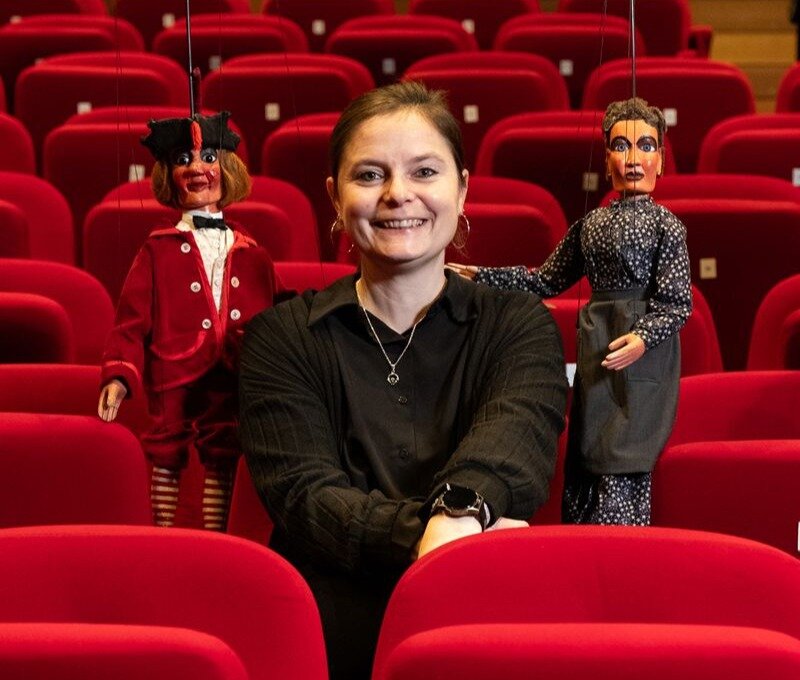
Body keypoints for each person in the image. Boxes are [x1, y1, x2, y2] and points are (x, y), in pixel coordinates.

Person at [239, 81, 568, 680]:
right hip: (325, 634)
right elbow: (305, 499)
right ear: (334, 197)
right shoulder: (281, 338)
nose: (398, 195)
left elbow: (509, 455)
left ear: (462, 188)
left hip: (483, 622)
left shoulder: (519, 326)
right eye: (369, 175)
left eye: (424, 171)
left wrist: (456, 508)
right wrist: (444, 531)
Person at [449, 97, 692, 527]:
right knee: (588, 455)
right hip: (597, 347)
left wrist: (641, 339)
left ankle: (620, 558)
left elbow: (676, 302)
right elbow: (544, 280)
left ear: (661, 160)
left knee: (626, 459)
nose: (633, 159)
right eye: (621, 145)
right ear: (606, 158)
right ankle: (582, 546)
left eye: (646, 146)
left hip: (641, 357)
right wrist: (482, 275)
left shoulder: (666, 226)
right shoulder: (590, 225)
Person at [98, 111, 279, 530]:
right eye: (183, 159)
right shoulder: (156, 250)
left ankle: (216, 538)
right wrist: (118, 374)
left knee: (223, 452)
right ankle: (164, 534)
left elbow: (278, 312)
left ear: (227, 168)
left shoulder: (253, 253)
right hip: (172, 366)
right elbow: (130, 320)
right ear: (168, 175)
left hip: (231, 371)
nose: (197, 168)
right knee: (165, 451)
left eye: (209, 156)